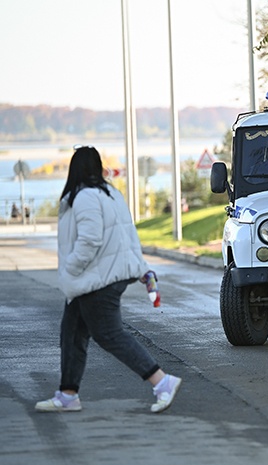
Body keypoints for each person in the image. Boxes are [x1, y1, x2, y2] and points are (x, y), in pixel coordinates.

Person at [35, 146, 182, 414]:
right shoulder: (111, 193)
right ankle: (68, 395)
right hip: (105, 275)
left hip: (98, 278)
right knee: (72, 333)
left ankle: (162, 381)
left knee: (109, 333)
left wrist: (71, 267)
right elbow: (128, 235)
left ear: (74, 168)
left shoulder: (85, 197)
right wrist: (141, 267)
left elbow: (90, 240)